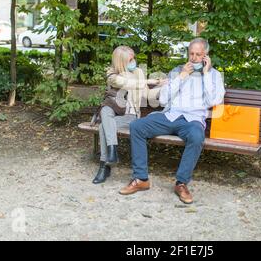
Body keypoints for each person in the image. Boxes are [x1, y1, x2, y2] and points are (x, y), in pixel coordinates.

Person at [119, 38, 226, 204]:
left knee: (197, 137)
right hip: (170, 116)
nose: (194, 58)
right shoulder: (177, 71)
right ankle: (141, 179)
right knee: (137, 126)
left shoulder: (214, 76)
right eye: (191, 53)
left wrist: (205, 74)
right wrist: (182, 76)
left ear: (206, 55)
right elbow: (162, 99)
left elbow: (214, 101)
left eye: (199, 54)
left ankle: (181, 183)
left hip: (193, 120)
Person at [92, 46, 164, 184]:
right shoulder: (112, 74)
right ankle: (110, 155)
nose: (134, 61)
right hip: (114, 110)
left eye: (134, 58)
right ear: (121, 62)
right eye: (130, 60)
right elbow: (126, 83)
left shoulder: (139, 72)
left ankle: (106, 164)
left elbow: (147, 95)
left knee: (103, 126)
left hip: (131, 116)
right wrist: (147, 82)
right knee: (106, 111)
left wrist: (162, 86)